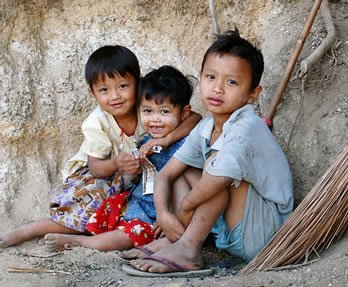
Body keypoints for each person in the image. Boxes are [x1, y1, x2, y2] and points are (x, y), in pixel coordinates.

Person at [0, 46, 200, 249]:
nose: (115, 96)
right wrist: (117, 162)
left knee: (114, 216)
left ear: (137, 84)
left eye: (123, 86)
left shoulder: (148, 108)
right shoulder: (97, 121)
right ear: (92, 92)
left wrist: (166, 140)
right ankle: (29, 230)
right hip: (100, 177)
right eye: (104, 90)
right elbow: (96, 168)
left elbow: (195, 118)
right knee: (83, 215)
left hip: (134, 180)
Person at [128, 29, 294, 274]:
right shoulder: (206, 125)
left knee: (215, 168)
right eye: (211, 77)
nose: (217, 89)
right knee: (185, 168)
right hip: (230, 229)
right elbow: (166, 174)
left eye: (232, 82)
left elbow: (217, 180)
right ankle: (178, 239)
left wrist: (184, 209)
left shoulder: (246, 126)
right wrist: (164, 215)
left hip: (262, 233)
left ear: (253, 94)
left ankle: (187, 248)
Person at [43, 66, 195, 252]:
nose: (155, 119)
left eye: (164, 112)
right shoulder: (147, 140)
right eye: (147, 111)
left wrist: (173, 217)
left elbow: (185, 184)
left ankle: (82, 243)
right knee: (103, 214)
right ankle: (64, 231)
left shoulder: (188, 143)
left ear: (184, 113)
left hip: (162, 215)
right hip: (139, 204)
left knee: (129, 234)